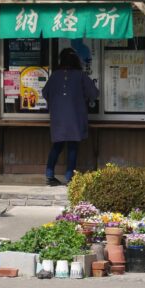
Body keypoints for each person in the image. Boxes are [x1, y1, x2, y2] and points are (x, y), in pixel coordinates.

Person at [42, 47, 99, 186]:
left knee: (57, 146)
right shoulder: (80, 76)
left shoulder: (55, 75)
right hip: (75, 117)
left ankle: (49, 174)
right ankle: (69, 177)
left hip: (58, 118)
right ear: (76, 60)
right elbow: (94, 93)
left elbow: (45, 93)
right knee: (73, 147)